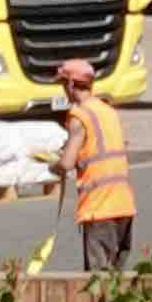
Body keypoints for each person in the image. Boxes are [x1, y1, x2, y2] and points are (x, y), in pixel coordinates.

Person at [55, 58, 135, 271]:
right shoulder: (108, 112)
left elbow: (67, 163)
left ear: (71, 85)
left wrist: (53, 165)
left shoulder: (79, 116)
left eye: (63, 85)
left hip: (99, 209)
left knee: (97, 283)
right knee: (117, 283)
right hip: (123, 206)